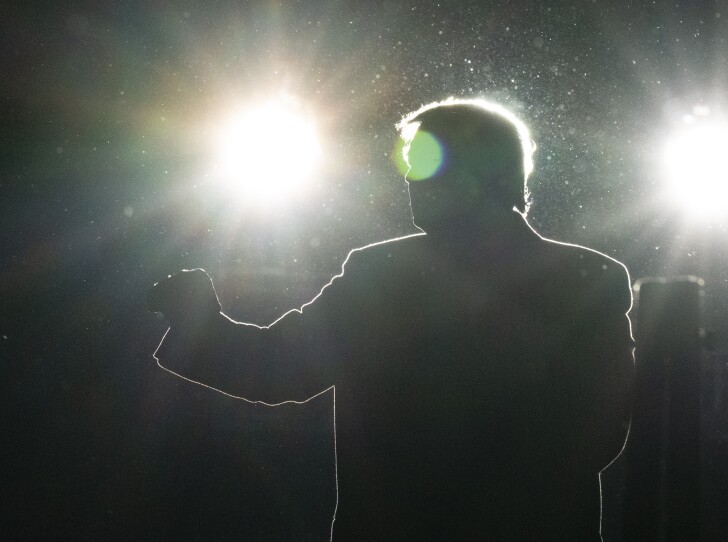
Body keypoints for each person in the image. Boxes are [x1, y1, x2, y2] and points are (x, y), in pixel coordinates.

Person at [149, 98, 634, 541]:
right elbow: (603, 435)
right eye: (407, 162)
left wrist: (197, 319)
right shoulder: (593, 278)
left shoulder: (381, 275)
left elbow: (279, 369)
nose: (407, 178)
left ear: (479, 171)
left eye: (421, 160)